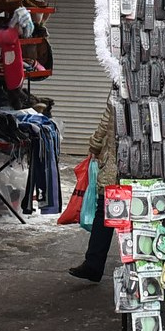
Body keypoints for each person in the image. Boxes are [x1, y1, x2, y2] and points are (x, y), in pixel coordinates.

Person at [66, 120, 120, 280]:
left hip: (116, 164)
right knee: (109, 212)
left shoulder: (116, 95)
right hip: (124, 165)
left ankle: (94, 265)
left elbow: (106, 120)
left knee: (105, 213)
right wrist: (96, 145)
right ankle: (93, 265)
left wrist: (95, 146)